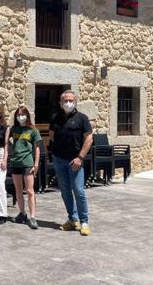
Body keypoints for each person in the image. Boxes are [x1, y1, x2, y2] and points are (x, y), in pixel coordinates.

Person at [49, 90, 93, 236]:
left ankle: (84, 221)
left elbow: (89, 139)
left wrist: (80, 158)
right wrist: (54, 153)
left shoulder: (82, 118)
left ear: (75, 102)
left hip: (75, 161)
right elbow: (52, 137)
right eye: (65, 100)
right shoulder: (55, 118)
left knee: (79, 191)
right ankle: (72, 219)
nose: (68, 103)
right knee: (65, 191)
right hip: (59, 160)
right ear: (60, 103)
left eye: (71, 100)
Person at [9, 105, 41, 229]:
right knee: (18, 190)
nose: (20, 117)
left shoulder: (33, 130)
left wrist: (36, 163)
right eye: (18, 115)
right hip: (15, 163)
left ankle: (32, 217)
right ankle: (22, 213)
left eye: (23, 114)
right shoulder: (14, 129)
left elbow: (37, 148)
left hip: (27, 163)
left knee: (30, 191)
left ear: (27, 116)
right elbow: (7, 140)